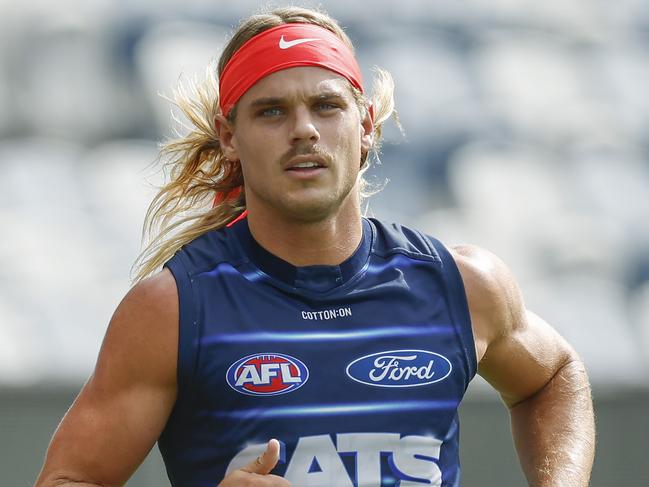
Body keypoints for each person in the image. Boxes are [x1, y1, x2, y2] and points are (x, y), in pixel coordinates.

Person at [35, 6, 595, 487]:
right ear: (229, 136)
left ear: (366, 125)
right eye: (271, 111)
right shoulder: (175, 310)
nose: (303, 129)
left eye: (326, 106)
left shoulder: (461, 284)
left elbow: (555, 376)